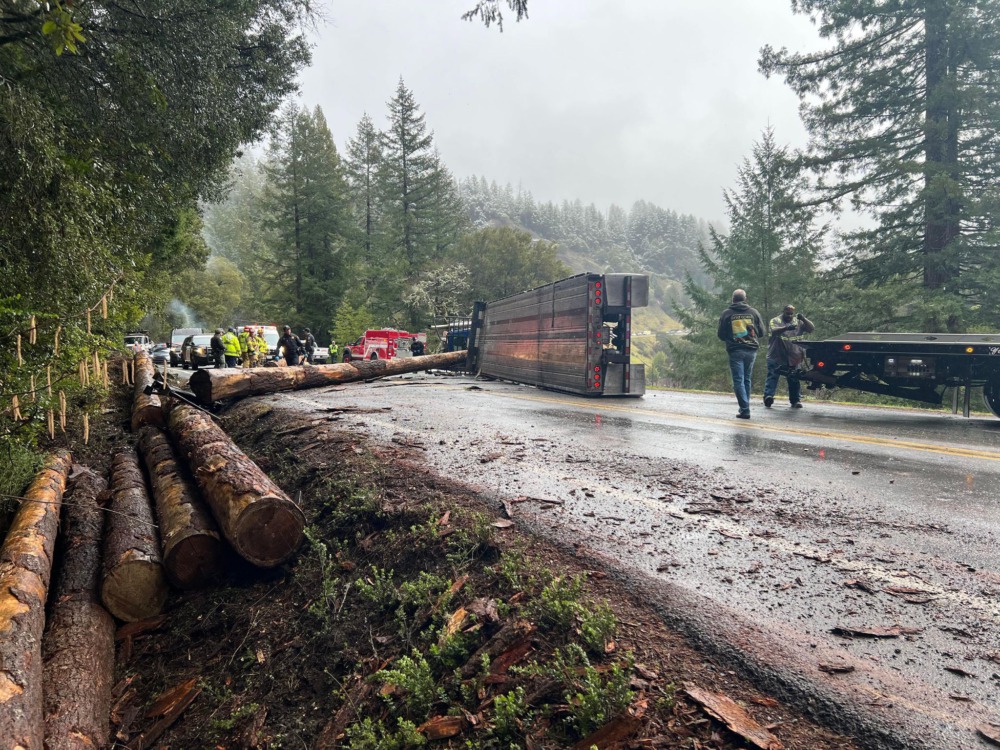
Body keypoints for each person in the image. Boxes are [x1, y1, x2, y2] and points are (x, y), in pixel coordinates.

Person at [717, 289, 765, 420]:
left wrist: (731, 338)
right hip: (751, 350)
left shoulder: (727, 314)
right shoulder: (754, 312)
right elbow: (761, 332)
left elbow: (720, 334)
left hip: (735, 350)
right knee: (746, 379)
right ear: (745, 299)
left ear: (733, 299)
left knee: (738, 380)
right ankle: (744, 407)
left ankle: (745, 409)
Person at [764, 305, 815, 409]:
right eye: (788, 314)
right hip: (776, 355)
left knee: (794, 379)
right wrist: (786, 327)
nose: (790, 316)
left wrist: (804, 319)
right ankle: (768, 397)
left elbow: (811, 329)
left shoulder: (798, 321)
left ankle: (795, 400)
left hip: (794, 356)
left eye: (792, 314)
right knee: (772, 376)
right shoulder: (775, 320)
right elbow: (774, 331)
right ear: (783, 312)